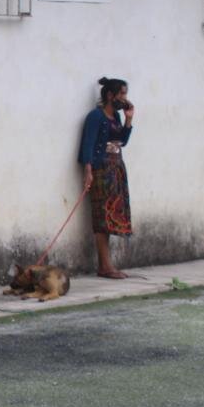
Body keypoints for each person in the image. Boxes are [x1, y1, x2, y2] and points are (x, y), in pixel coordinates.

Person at [78, 76, 134, 278]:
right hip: (101, 171)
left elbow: (122, 141)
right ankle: (105, 267)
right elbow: (88, 145)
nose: (125, 98)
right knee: (102, 218)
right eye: (122, 94)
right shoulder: (95, 116)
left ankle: (106, 265)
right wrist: (88, 171)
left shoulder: (116, 117)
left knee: (109, 219)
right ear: (111, 95)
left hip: (116, 169)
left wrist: (128, 120)